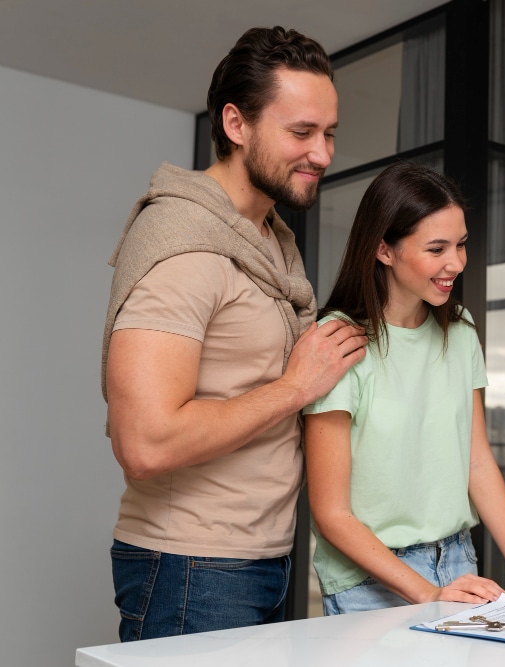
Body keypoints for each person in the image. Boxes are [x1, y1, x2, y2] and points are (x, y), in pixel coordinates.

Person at [101, 27, 368, 641]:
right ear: (236, 124)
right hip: (189, 565)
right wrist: (296, 386)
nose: (323, 154)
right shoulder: (182, 245)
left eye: (329, 134)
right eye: (301, 133)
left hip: (262, 558)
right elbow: (144, 443)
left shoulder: (272, 243)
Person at [304, 162, 505, 614]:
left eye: (460, 245)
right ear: (384, 250)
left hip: (457, 561)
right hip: (369, 578)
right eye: (436, 248)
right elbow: (332, 514)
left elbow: (475, 461)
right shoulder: (336, 341)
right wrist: (427, 593)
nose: (455, 263)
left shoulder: (460, 330)